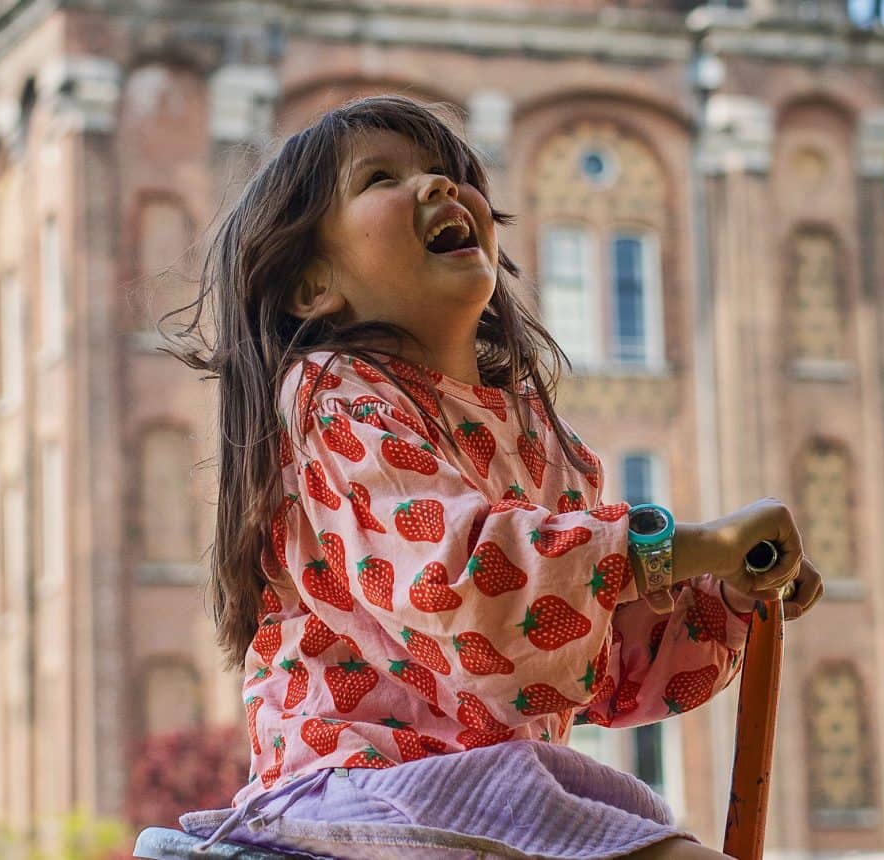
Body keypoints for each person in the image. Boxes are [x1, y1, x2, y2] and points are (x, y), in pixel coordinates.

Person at [162, 94, 824, 860]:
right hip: (369, 785)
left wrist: (728, 597)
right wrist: (677, 547)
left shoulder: (541, 442)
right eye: (382, 178)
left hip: (491, 786)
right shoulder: (332, 396)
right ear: (314, 286)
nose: (438, 187)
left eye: (448, 172)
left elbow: (597, 659)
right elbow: (461, 581)